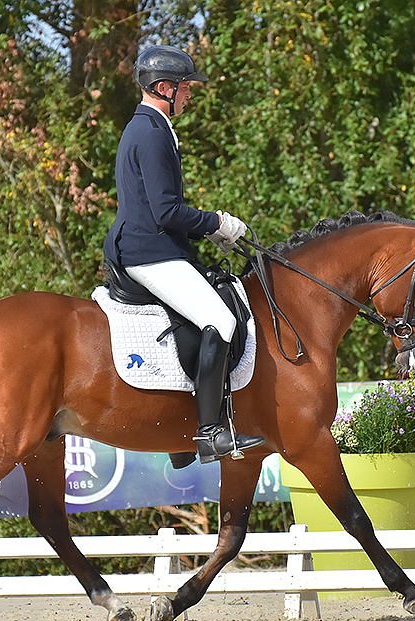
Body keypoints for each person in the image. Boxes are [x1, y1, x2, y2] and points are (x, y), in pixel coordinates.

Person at [103, 45, 264, 464]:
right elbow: (166, 210)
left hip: (155, 245)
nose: (191, 95)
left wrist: (207, 234)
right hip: (149, 252)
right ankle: (208, 433)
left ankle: (180, 439)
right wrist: (217, 222)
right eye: (186, 88)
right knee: (222, 320)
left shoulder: (147, 127)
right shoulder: (152, 132)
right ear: (163, 88)